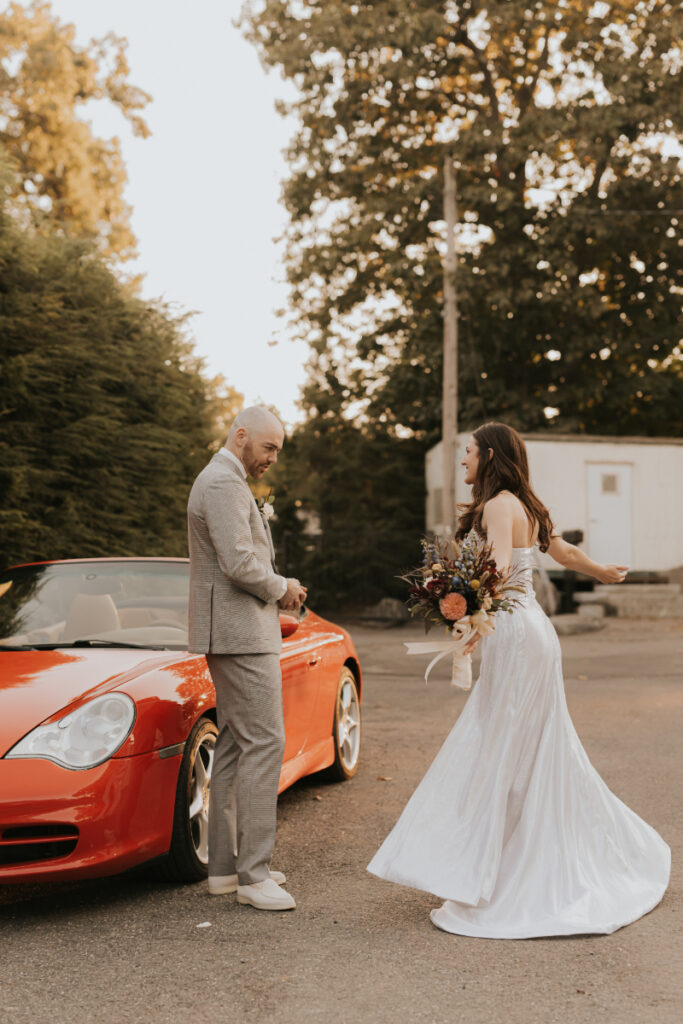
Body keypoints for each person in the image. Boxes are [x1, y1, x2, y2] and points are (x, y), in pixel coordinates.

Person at [368, 422, 670, 938]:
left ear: (487, 454)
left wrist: (469, 616)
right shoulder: (525, 505)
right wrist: (601, 572)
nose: (461, 459)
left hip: (514, 633)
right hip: (535, 633)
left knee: (504, 746)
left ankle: (501, 871)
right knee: (530, 747)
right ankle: (510, 857)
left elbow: (498, 574)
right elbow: (565, 554)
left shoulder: (496, 507)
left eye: (466, 452)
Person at [187, 406, 306, 911]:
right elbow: (238, 561)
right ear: (240, 437)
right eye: (269, 447)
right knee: (266, 742)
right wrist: (284, 588)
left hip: (237, 632)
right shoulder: (222, 483)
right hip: (240, 635)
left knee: (236, 744)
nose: (273, 458)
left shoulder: (226, 479)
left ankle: (225, 870)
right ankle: (254, 877)